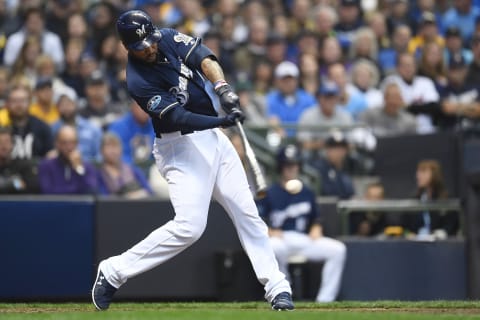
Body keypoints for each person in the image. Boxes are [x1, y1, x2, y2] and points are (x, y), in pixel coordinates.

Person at [92, 10, 293, 312]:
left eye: (149, 41)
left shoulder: (169, 37)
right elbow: (178, 117)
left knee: (248, 214)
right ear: (126, 47)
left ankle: (277, 288)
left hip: (213, 138)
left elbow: (204, 57)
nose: (148, 48)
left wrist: (222, 88)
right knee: (190, 227)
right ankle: (113, 272)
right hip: (179, 147)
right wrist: (221, 120)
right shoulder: (137, 80)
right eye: (139, 46)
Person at [257, 144, 346, 302]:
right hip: (281, 239)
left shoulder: (307, 192)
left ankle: (325, 300)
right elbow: (259, 220)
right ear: (281, 167)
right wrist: (269, 231)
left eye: (295, 164)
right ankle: (284, 291)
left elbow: (316, 218)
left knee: (338, 250)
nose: (292, 169)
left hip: (303, 239)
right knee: (273, 247)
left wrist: (316, 228)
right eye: (288, 165)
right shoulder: (271, 192)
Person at [403, 159, 459, 239]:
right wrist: (409, 234)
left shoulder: (446, 199)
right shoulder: (414, 199)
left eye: (423, 171)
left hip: (439, 244)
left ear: (435, 174)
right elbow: (406, 225)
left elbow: (451, 225)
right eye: (418, 172)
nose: (418, 175)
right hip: (416, 244)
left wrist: (440, 234)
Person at [38, 124, 97, 194]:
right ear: (57, 144)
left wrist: (79, 169)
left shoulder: (87, 167)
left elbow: (92, 192)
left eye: (73, 142)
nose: (69, 147)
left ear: (77, 143)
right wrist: (75, 190)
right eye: (64, 143)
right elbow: (48, 192)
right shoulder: (46, 166)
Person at [0, 83, 53, 160]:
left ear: (30, 103)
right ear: (7, 104)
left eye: (23, 100)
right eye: (14, 101)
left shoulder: (42, 127)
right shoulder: (2, 126)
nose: (19, 105)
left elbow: (50, 155)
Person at [97, 132, 153, 199]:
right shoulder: (99, 174)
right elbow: (102, 197)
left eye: (115, 146)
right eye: (108, 147)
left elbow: (150, 192)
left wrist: (138, 194)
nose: (112, 151)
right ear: (101, 150)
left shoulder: (133, 170)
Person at [311, 130, 355, 199]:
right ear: (327, 150)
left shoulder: (349, 166)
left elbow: (350, 192)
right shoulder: (319, 168)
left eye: (341, 148)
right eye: (334, 148)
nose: (338, 152)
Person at [0, 126, 40, 194]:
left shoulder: (23, 166)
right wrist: (15, 182)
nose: (4, 146)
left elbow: (30, 187)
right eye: (0, 142)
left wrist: (12, 183)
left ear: (12, 144)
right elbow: (21, 185)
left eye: (7, 142)